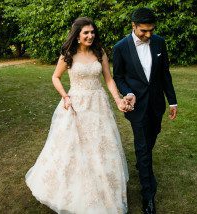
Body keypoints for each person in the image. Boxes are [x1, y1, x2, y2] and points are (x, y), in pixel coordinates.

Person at [25, 17, 129, 213]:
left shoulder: (100, 53)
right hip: (76, 105)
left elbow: (109, 80)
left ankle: (104, 187)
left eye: (92, 32)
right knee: (73, 147)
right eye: (86, 33)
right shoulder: (68, 55)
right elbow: (55, 77)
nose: (91, 36)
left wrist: (118, 100)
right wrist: (64, 96)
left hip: (98, 104)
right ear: (78, 35)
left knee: (101, 146)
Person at [113, 8, 178, 214]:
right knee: (142, 147)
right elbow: (118, 77)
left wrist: (173, 102)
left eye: (151, 30)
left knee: (151, 138)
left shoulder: (160, 42)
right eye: (143, 31)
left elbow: (164, 73)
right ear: (133, 26)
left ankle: (143, 166)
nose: (148, 35)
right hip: (136, 105)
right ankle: (148, 196)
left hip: (156, 104)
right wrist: (128, 92)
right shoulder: (120, 47)